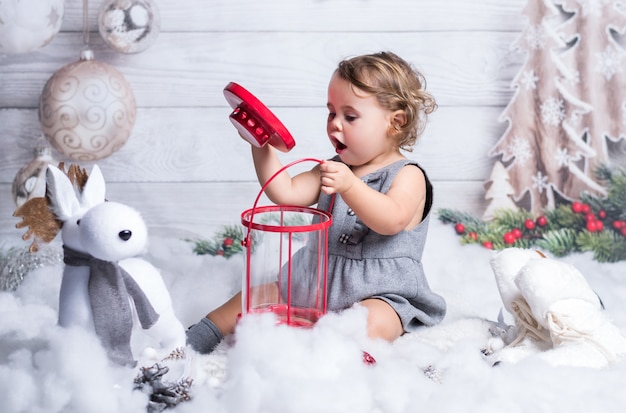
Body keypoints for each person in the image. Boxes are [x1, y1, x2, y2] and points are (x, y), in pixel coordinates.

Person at [186, 51, 446, 354]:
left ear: (395, 123)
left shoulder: (408, 175)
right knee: (256, 297)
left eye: (350, 116)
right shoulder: (333, 166)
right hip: (314, 282)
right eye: (331, 112)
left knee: (372, 321)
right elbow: (286, 191)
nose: (335, 124)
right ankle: (193, 341)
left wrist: (350, 186)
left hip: (382, 290)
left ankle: (345, 361)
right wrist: (261, 145)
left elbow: (391, 220)